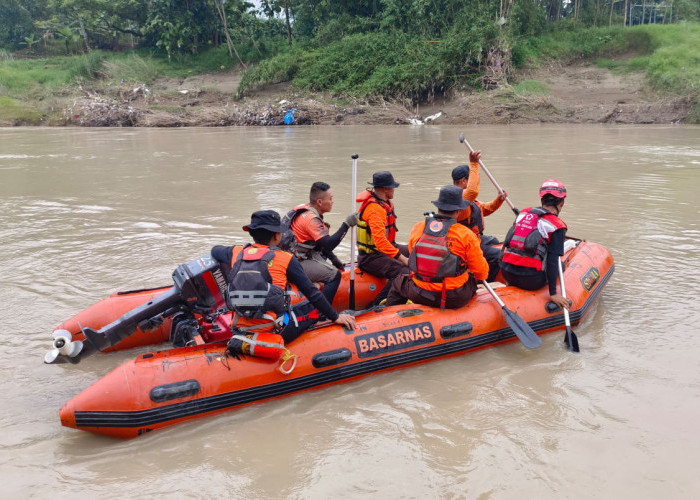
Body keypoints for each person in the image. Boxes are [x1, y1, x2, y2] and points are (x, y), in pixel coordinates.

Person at [211, 210, 356, 344]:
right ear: (276, 236)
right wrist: (335, 317)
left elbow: (215, 250)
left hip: (239, 327)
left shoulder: (237, 253)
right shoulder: (285, 258)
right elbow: (312, 293)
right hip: (276, 329)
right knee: (313, 308)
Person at [386, 185, 489, 309]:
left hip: (419, 292)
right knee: (471, 278)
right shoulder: (466, 235)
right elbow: (481, 273)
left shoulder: (418, 227)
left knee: (399, 282)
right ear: (458, 211)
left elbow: (414, 254)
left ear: (438, 208)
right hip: (453, 297)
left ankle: (391, 314)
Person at [284, 182, 358, 305]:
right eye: (330, 198)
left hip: (293, 256)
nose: (332, 201)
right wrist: (346, 224)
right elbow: (328, 244)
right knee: (334, 275)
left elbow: (320, 244)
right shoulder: (311, 220)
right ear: (319, 202)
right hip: (293, 263)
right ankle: (321, 313)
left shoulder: (306, 209)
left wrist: (333, 258)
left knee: (328, 264)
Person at [500, 179, 570, 310]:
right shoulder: (557, 226)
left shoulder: (524, 213)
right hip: (531, 280)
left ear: (542, 200)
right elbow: (553, 260)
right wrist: (553, 294)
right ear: (562, 203)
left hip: (506, 272)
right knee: (561, 265)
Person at [451, 150, 508, 282]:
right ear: (464, 181)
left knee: (493, 240)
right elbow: (473, 190)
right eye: (471, 179)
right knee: (500, 255)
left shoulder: (467, 200)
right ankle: (484, 280)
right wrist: (474, 164)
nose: (475, 182)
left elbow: (485, 209)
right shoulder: (459, 198)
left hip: (475, 237)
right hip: (466, 243)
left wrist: (499, 200)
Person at [356, 171, 410, 305]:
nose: (394, 190)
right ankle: (381, 304)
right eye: (392, 187)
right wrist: (403, 259)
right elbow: (380, 242)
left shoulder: (384, 203)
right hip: (371, 257)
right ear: (385, 189)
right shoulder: (375, 210)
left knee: (416, 252)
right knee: (404, 271)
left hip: (386, 249)